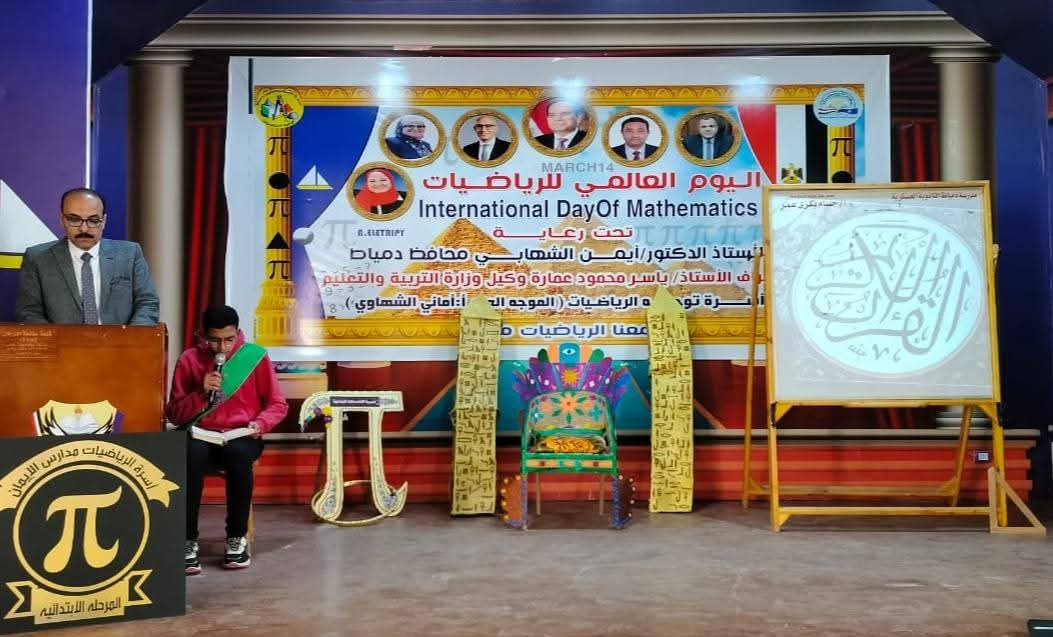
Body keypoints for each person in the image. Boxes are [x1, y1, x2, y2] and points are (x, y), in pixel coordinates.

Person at [167, 305, 288, 574]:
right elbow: (174, 414)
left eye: (229, 339)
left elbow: (278, 404)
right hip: (201, 435)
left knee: (239, 455)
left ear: (238, 332)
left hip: (241, 434)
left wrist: (260, 424)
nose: (222, 347)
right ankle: (187, 541)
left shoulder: (255, 356)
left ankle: (236, 537)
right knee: (191, 454)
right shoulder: (189, 359)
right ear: (203, 335)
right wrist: (200, 393)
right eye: (214, 340)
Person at [14, 187, 159, 325]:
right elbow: (29, 312)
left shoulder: (129, 253)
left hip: (121, 341)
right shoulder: (38, 258)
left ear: (104, 221)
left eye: (93, 221)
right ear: (62, 219)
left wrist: (130, 338)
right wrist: (57, 340)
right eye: (74, 220)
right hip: (62, 342)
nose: (84, 228)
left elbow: (147, 303)